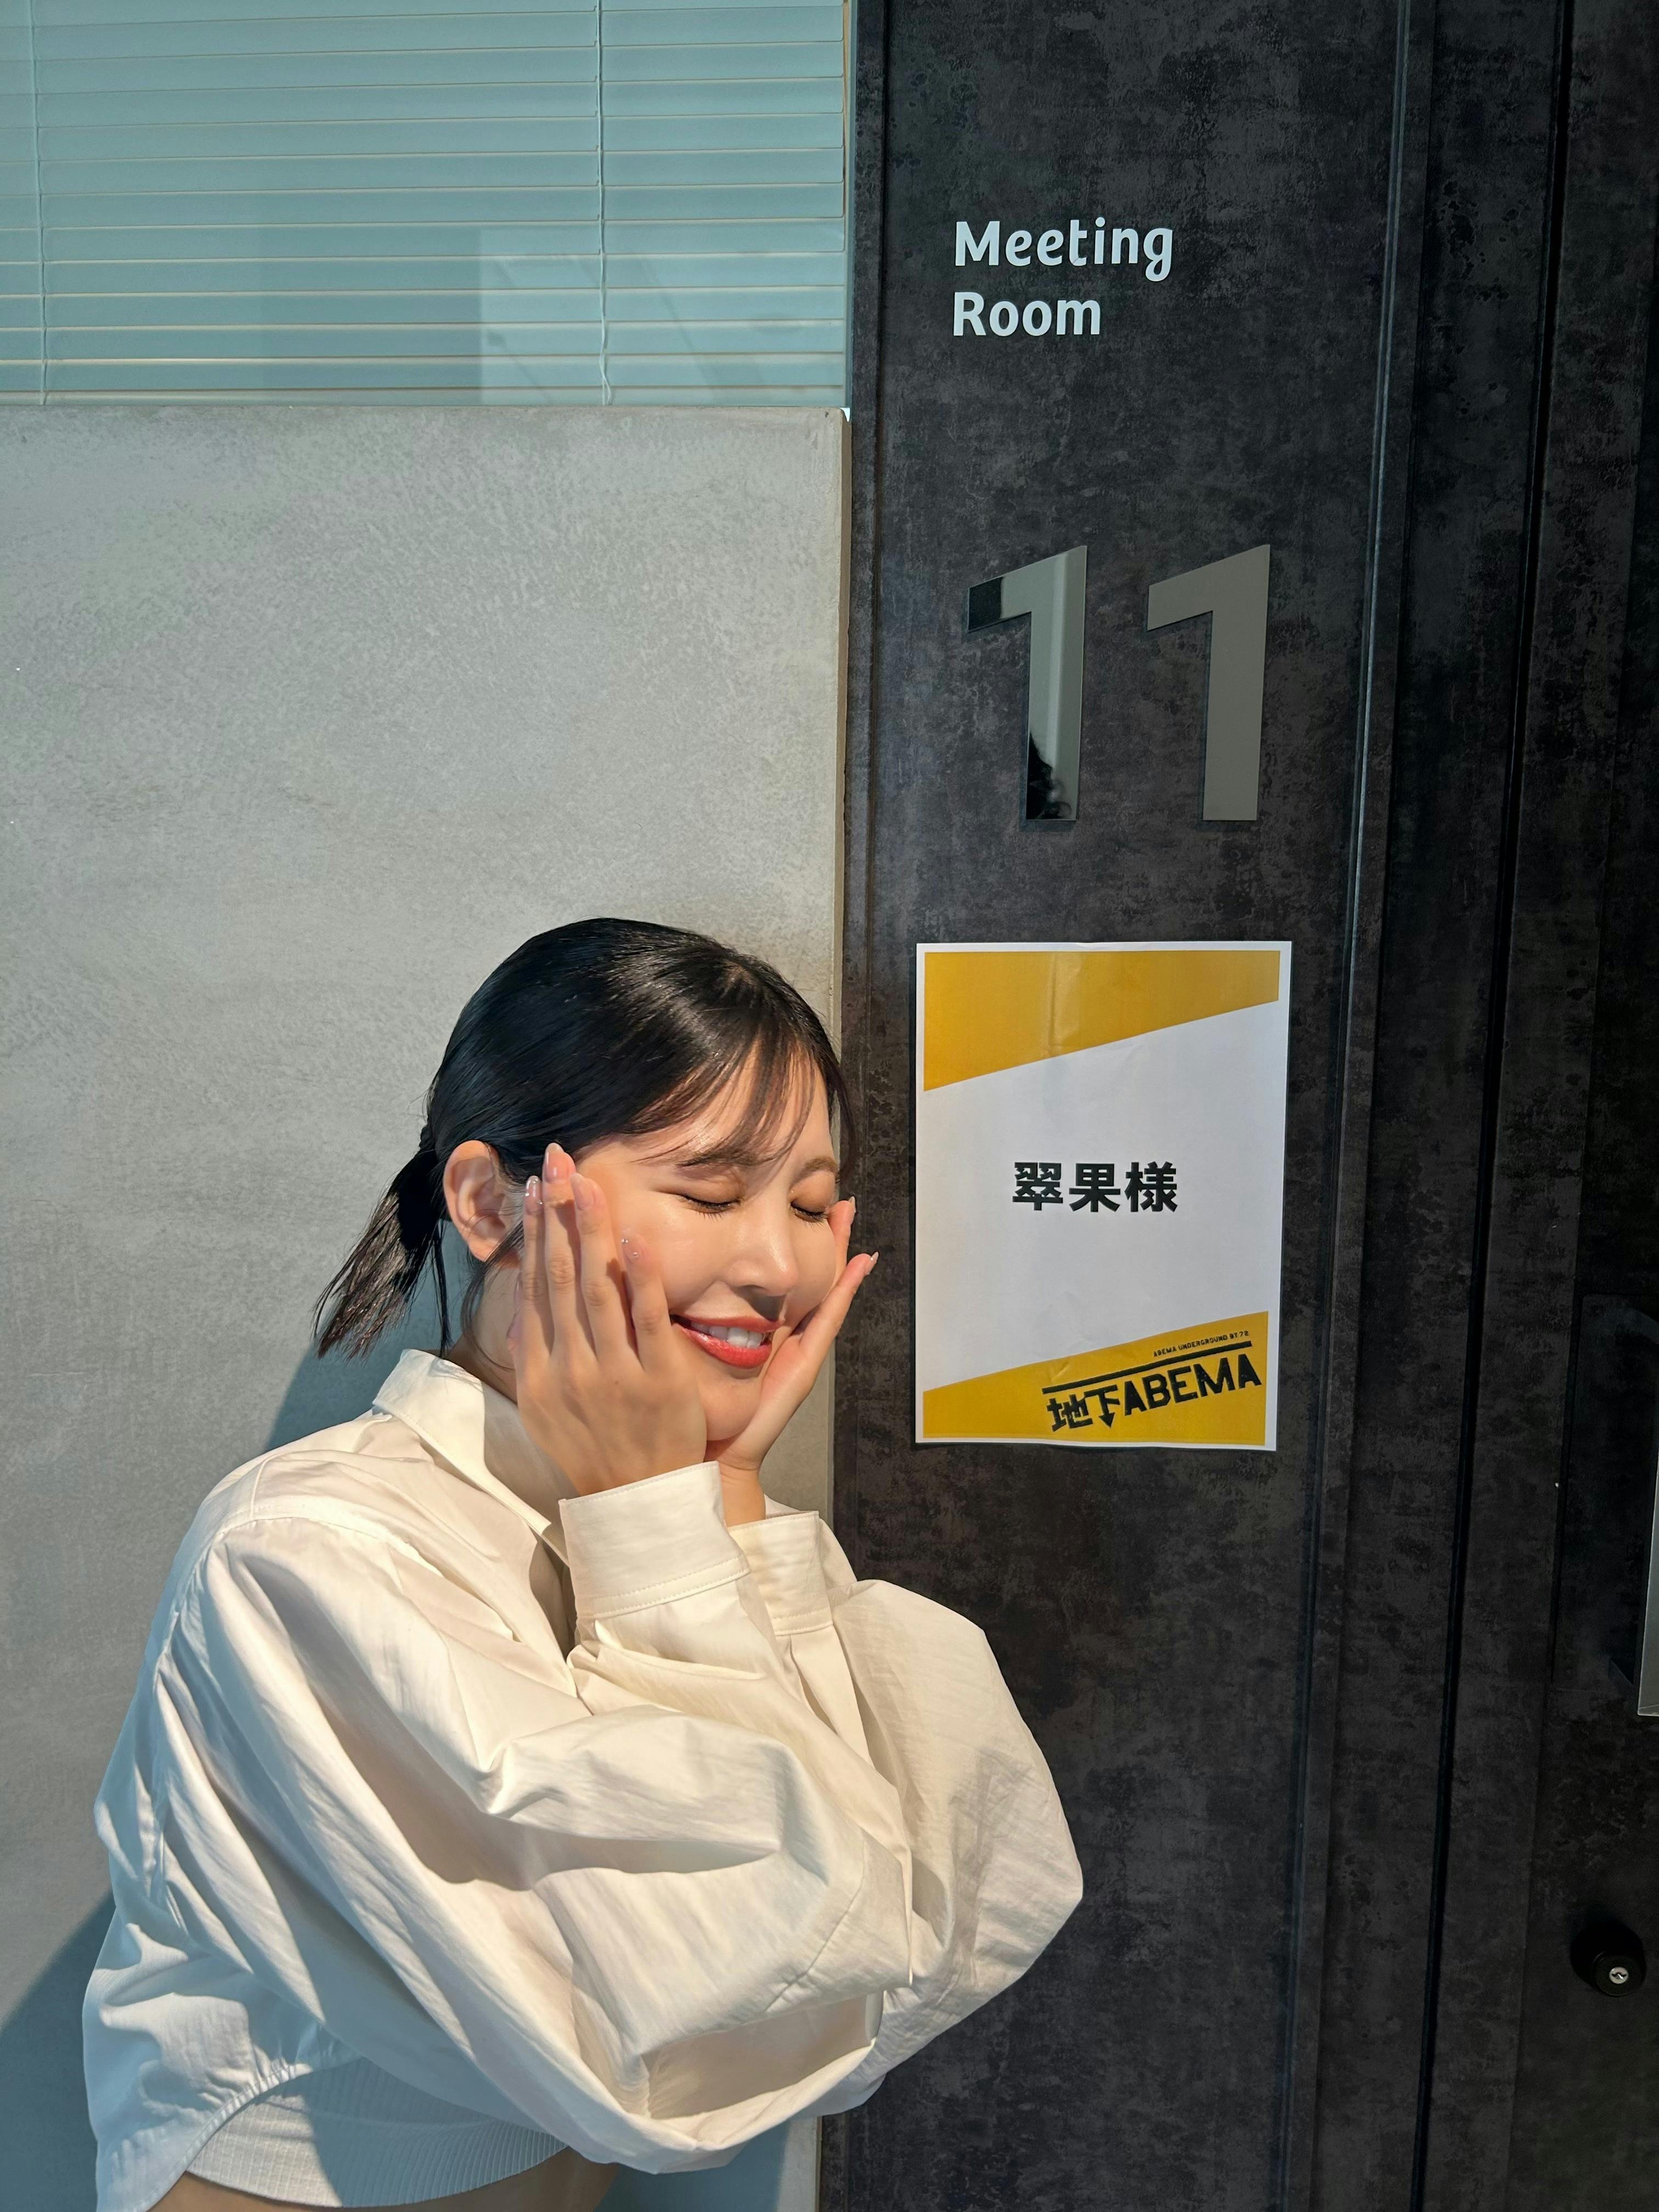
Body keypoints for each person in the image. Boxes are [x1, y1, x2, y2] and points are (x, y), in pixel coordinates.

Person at [83, 919, 1084, 2212]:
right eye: (712, 1194)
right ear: (490, 1204)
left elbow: (928, 1936)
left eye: (810, 1204)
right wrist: (665, 1520)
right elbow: (702, 2017)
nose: (780, 1265)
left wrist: (714, 1500)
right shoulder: (305, 1551)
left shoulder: (668, 1521)